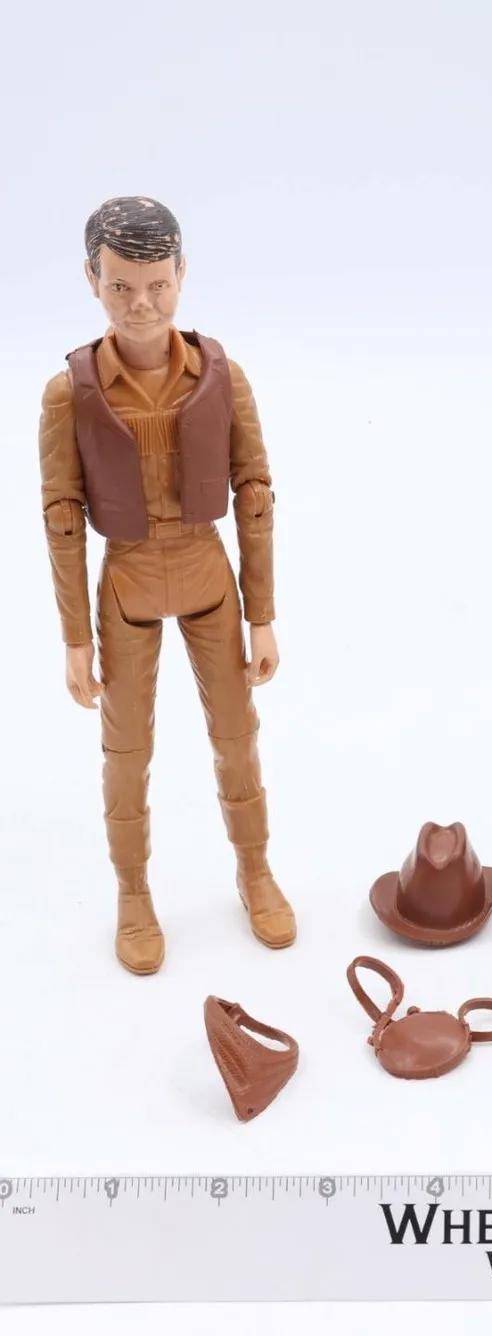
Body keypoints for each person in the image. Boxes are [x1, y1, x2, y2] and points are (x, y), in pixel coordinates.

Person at [38, 195, 296, 974]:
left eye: (157, 284)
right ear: (92, 280)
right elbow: (62, 517)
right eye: (121, 286)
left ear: (182, 274)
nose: (141, 304)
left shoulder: (221, 377)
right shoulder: (70, 392)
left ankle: (255, 871)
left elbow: (255, 493)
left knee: (237, 740)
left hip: (210, 578)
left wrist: (262, 616)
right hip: (128, 589)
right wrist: (75, 640)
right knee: (126, 754)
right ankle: (133, 893)